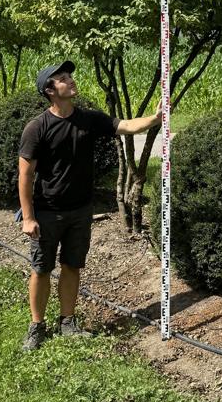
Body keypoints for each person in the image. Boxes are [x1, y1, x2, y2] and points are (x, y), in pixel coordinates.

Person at [18, 60, 161, 351]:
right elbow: (25, 174)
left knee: (72, 265)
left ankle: (68, 322)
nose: (70, 80)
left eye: (70, 75)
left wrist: (155, 118)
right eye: (62, 78)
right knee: (41, 268)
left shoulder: (89, 119)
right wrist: (29, 217)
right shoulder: (37, 127)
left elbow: (126, 126)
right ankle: (36, 326)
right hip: (48, 211)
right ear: (49, 90)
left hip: (81, 210)